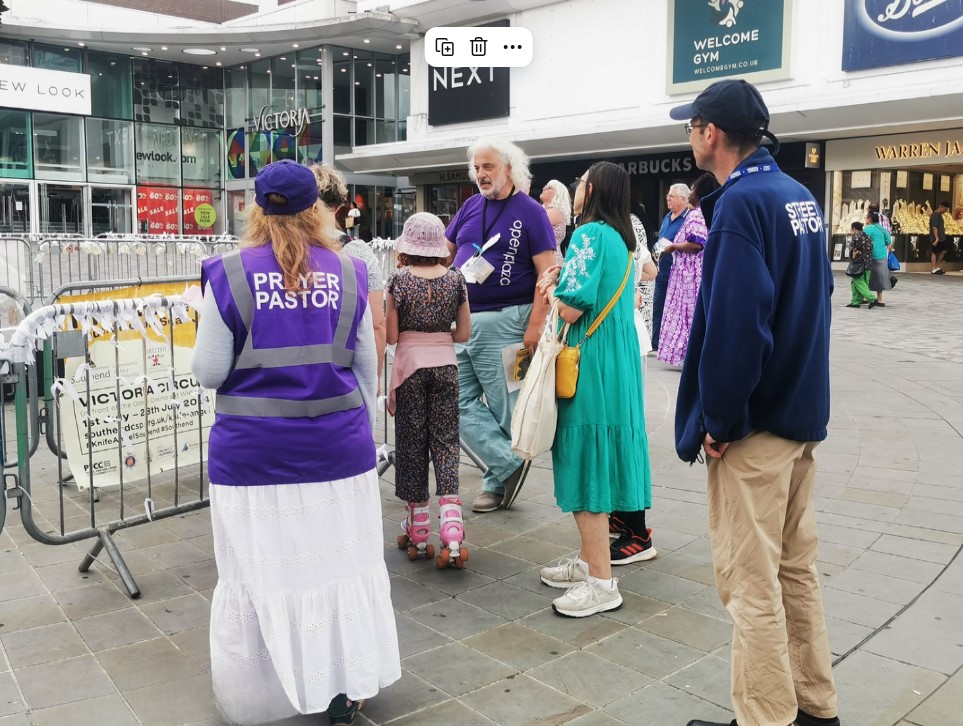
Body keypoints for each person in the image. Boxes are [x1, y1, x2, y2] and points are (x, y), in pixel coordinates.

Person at [192, 160, 400, 725]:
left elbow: (209, 370)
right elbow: (366, 370)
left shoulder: (230, 274)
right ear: (319, 210)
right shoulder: (350, 271)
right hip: (338, 453)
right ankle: (339, 688)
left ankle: (268, 695)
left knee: (264, 572)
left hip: (253, 457)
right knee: (335, 571)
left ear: (256, 209)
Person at [670, 80, 840, 726]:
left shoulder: (739, 203)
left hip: (757, 429)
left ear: (710, 132)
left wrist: (720, 420)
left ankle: (764, 717)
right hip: (798, 416)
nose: (688, 133)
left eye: (692, 125)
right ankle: (815, 708)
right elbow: (815, 299)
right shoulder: (796, 194)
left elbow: (739, 325)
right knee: (794, 571)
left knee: (749, 583)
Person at [535, 162, 654, 616]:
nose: (575, 189)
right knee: (602, 456)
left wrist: (549, 288)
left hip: (588, 360)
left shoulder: (588, 235)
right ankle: (590, 561)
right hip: (618, 362)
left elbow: (570, 307)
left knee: (585, 460)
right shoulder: (624, 240)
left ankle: (602, 582)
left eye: (580, 183)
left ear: (594, 190)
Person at [445, 137, 557, 513]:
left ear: (509, 168)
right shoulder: (469, 206)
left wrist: (536, 326)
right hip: (461, 323)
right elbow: (445, 254)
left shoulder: (531, 212)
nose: (481, 174)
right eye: (477, 167)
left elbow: (548, 272)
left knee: (510, 406)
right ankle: (507, 462)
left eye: (488, 166)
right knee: (450, 402)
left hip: (512, 323)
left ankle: (496, 483)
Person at [386, 213, 471, 566]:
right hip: (447, 368)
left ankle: (419, 526)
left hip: (410, 370)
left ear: (407, 247)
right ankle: (452, 527)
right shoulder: (456, 280)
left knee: (412, 443)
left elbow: (391, 335)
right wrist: (439, 338)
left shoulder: (398, 281)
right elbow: (463, 334)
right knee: (446, 441)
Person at [310, 163, 387, 383]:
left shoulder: (285, 251)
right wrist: (375, 380)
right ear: (338, 205)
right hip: (346, 373)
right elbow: (376, 324)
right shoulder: (358, 251)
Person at [657, 172, 719, 366]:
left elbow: (697, 243)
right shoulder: (707, 212)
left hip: (689, 277)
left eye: (692, 189)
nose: (691, 192)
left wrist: (673, 247)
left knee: (687, 317)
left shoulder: (696, 214)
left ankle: (692, 357)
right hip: (689, 274)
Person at [651, 183, 690, 352]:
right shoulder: (667, 217)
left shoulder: (689, 218)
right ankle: (656, 343)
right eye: (667, 195)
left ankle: (674, 347)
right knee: (658, 307)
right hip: (662, 270)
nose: (667, 198)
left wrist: (674, 246)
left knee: (676, 311)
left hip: (678, 273)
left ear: (683, 199)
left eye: (671, 196)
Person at [539, 179, 573, 262]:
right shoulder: (542, 209)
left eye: (549, 187)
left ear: (558, 193)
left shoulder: (557, 211)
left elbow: (531, 224)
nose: (544, 188)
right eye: (545, 186)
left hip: (549, 258)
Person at [866, 210, 893, 308]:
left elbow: (863, 239)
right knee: (879, 277)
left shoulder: (868, 229)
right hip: (882, 255)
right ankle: (880, 299)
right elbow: (888, 240)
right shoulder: (882, 228)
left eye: (867, 217)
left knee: (867, 276)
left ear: (870, 219)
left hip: (871, 255)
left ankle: (866, 297)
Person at [845, 221, 876, 309]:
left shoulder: (856, 237)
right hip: (868, 264)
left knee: (858, 282)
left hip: (858, 265)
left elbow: (855, 251)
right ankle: (855, 302)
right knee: (856, 283)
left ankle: (872, 299)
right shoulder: (868, 237)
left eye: (852, 229)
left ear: (854, 229)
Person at [930, 200, 949, 274]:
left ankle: (937, 266)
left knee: (943, 251)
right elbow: (934, 227)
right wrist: (936, 238)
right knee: (934, 252)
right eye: (945, 209)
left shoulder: (940, 215)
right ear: (941, 207)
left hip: (942, 236)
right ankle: (933, 268)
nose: (946, 211)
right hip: (936, 237)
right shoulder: (934, 215)